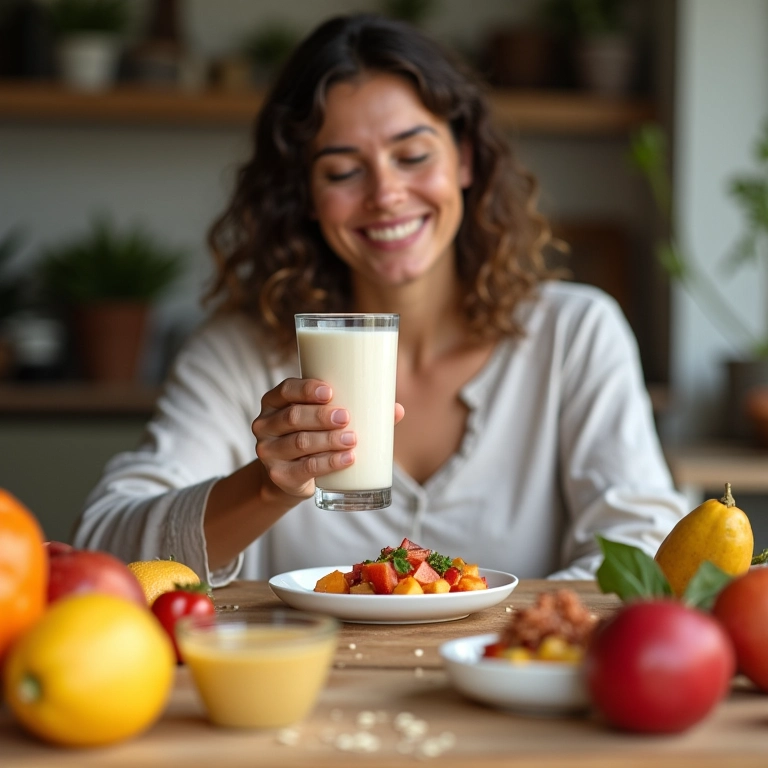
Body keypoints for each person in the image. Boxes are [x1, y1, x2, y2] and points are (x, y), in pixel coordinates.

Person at [73, 13, 686, 585]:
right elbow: (104, 548)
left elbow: (646, 553)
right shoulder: (239, 353)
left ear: (465, 159)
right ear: (306, 195)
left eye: (412, 155)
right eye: (343, 171)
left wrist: (515, 629)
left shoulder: (574, 334)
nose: (387, 194)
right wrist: (266, 487)